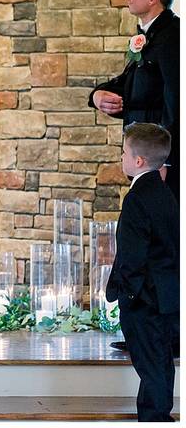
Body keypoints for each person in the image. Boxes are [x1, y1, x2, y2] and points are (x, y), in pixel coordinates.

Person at [106, 123, 179, 422]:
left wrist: (130, 294)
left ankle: (155, 418)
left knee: (151, 366)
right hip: (163, 297)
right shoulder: (164, 192)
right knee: (159, 364)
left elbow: (132, 254)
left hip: (144, 301)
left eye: (124, 152)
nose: (121, 157)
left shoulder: (137, 198)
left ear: (138, 161)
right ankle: (155, 415)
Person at [90, 0, 179, 200]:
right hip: (143, 157)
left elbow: (176, 99)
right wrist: (97, 96)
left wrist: (164, 159)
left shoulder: (174, 36)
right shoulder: (145, 35)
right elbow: (131, 85)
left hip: (160, 163)